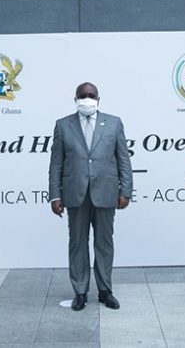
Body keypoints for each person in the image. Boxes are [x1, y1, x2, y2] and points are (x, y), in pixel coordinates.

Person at [49, 82, 133, 311]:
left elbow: (123, 159)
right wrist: (55, 195)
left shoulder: (114, 123)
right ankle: (80, 291)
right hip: (75, 194)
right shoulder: (63, 125)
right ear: (75, 99)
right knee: (77, 243)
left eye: (91, 95)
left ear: (99, 99)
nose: (87, 99)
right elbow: (56, 163)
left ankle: (105, 290)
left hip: (105, 192)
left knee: (104, 243)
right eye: (82, 96)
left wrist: (125, 190)